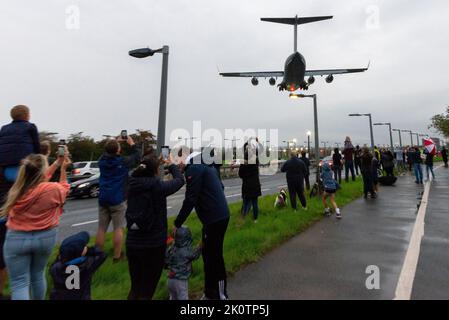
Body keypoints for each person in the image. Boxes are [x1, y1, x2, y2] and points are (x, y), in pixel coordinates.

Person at [0, 153, 71, 300]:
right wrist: (63, 169)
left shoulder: (16, 189)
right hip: (45, 237)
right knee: (38, 275)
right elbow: (65, 188)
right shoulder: (53, 189)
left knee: (19, 283)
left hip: (16, 238)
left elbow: (38, 178)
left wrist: (57, 163)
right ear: (43, 172)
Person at [125, 153, 184, 300]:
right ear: (155, 171)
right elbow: (179, 180)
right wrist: (170, 164)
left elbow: (137, 172)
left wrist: (151, 163)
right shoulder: (157, 186)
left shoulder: (131, 184)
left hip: (132, 242)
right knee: (147, 290)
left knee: (135, 287)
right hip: (153, 244)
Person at [174, 151, 230, 300]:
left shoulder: (194, 169)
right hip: (215, 217)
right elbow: (220, 187)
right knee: (208, 255)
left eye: (176, 159)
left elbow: (190, 198)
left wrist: (177, 223)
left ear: (184, 157)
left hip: (215, 218)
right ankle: (210, 291)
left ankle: (220, 294)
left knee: (214, 257)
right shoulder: (203, 166)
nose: (175, 163)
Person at [95, 136, 140, 263]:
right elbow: (137, 157)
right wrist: (132, 144)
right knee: (118, 228)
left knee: (101, 229)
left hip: (103, 198)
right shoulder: (122, 162)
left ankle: (97, 257)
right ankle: (117, 256)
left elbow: (104, 153)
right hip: (118, 199)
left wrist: (114, 140)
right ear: (118, 150)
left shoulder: (102, 161)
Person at [49, 231, 107, 300]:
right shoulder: (87, 265)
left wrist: (60, 257)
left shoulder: (56, 268)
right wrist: (88, 250)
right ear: (81, 252)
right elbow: (102, 255)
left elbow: (52, 267)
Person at [0, 105, 40, 183]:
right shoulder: (31, 127)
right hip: (24, 164)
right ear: (27, 116)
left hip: (5, 165)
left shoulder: (4, 128)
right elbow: (37, 146)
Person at [165, 226, 202, 300]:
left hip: (170, 279)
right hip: (181, 281)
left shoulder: (172, 248)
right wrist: (200, 247)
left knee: (173, 298)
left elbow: (166, 261)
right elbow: (194, 255)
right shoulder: (186, 251)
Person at [238, 142, 261, 222]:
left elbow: (240, 174)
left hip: (246, 185)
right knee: (255, 203)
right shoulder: (256, 161)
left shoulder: (243, 164)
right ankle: (255, 219)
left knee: (245, 202)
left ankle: (243, 217)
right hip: (255, 184)